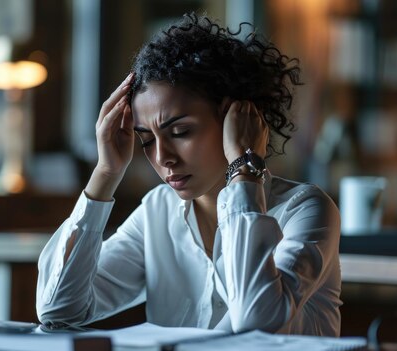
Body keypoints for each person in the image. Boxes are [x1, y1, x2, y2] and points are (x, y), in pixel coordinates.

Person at [36, 13, 342, 336]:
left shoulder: (305, 210)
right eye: (146, 141)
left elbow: (256, 324)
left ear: (232, 118)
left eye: (180, 132)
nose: (162, 157)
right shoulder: (157, 213)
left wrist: (244, 167)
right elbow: (58, 310)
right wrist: (106, 172)